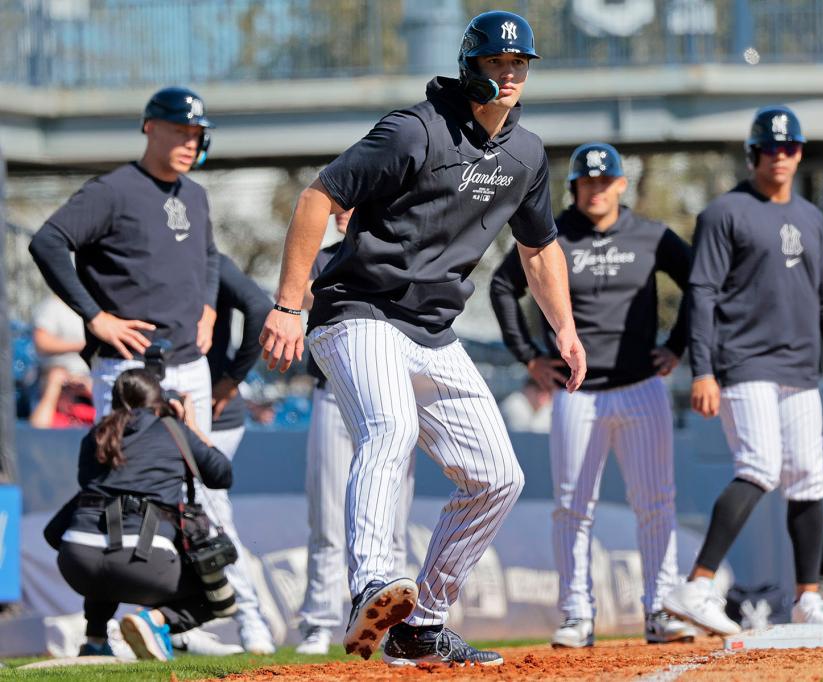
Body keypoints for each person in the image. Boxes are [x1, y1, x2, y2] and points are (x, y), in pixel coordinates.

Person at [259, 10, 586, 667]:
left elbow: (539, 248)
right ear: (473, 67)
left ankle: (422, 622)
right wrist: (288, 304)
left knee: (498, 476)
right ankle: (373, 582)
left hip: (433, 328)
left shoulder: (525, 154)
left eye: (520, 64)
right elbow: (316, 199)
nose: (511, 73)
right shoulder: (415, 131)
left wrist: (566, 330)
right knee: (391, 428)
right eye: (498, 63)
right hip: (358, 309)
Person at [663, 106, 823, 635]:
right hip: (744, 360)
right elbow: (701, 293)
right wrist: (701, 369)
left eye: (789, 147)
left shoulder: (811, 217)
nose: (781, 156)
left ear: (799, 153)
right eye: (770, 148)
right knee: (759, 466)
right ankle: (698, 586)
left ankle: (807, 598)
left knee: (809, 478)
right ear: (753, 154)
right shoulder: (724, 213)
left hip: (799, 365)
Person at [490, 142, 694, 648]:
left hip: (642, 387)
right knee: (572, 506)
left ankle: (660, 608)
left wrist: (677, 347)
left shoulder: (651, 234)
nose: (596, 190)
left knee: (656, 504)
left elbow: (700, 282)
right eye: (587, 182)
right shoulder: (551, 235)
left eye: (605, 182)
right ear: (574, 187)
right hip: (576, 392)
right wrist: (529, 357)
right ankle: (576, 613)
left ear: (621, 185)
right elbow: (500, 286)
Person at [29, 86, 220, 434]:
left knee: (200, 482)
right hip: (128, 367)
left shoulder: (195, 194)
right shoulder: (111, 190)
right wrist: (95, 317)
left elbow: (209, 254)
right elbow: (47, 242)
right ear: (150, 127)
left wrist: (208, 306)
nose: (190, 143)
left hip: (191, 362)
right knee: (126, 478)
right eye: (180, 131)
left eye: (196, 134)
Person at [295, 208, 416, 656]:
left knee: (395, 521)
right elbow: (304, 297)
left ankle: (395, 629)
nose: (346, 215)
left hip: (393, 398)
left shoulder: (401, 253)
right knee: (326, 519)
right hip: (333, 393)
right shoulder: (322, 256)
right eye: (341, 208)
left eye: (356, 206)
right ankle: (318, 622)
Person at [56, 369, 232, 661]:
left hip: (76, 560)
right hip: (144, 560)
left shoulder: (96, 435)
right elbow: (221, 474)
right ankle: (155, 621)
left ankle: (95, 640)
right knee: (216, 597)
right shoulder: (172, 429)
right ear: (158, 400)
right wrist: (190, 425)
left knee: (107, 547)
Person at [172, 253, 276, 656]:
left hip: (214, 411)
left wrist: (233, 379)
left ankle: (251, 619)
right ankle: (178, 622)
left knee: (211, 512)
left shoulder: (210, 258)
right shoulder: (149, 258)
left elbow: (260, 307)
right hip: (176, 406)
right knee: (175, 512)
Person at [29, 296, 95, 428]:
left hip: (91, 378)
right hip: (55, 378)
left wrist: (91, 389)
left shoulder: (96, 304)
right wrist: (55, 385)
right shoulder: (52, 306)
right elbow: (41, 342)